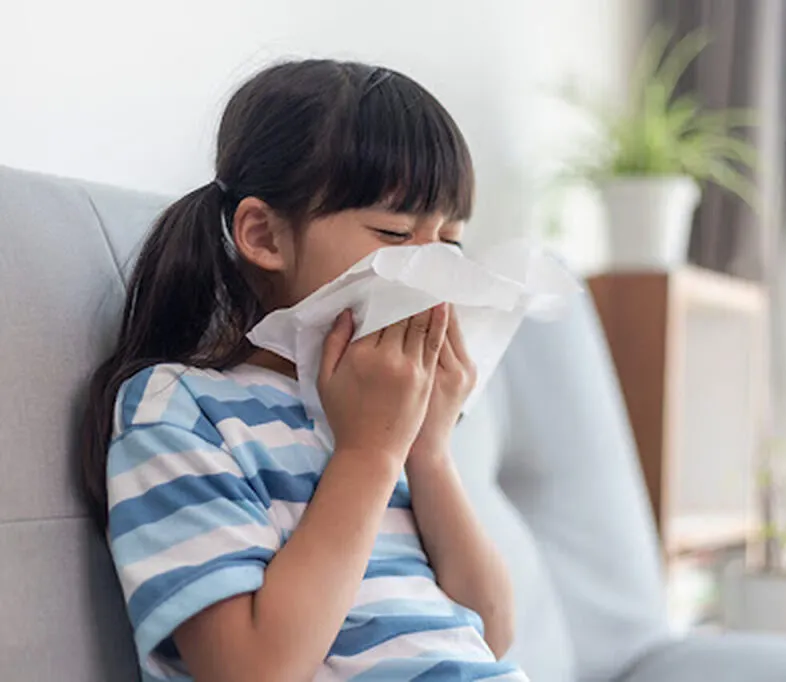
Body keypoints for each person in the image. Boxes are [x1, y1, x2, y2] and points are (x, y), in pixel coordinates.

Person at [80, 59, 526, 682]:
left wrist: (428, 451)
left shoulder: (391, 420)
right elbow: (253, 671)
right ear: (264, 235)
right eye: (394, 233)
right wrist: (368, 454)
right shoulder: (179, 410)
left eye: (448, 243)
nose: (433, 274)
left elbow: (492, 633)